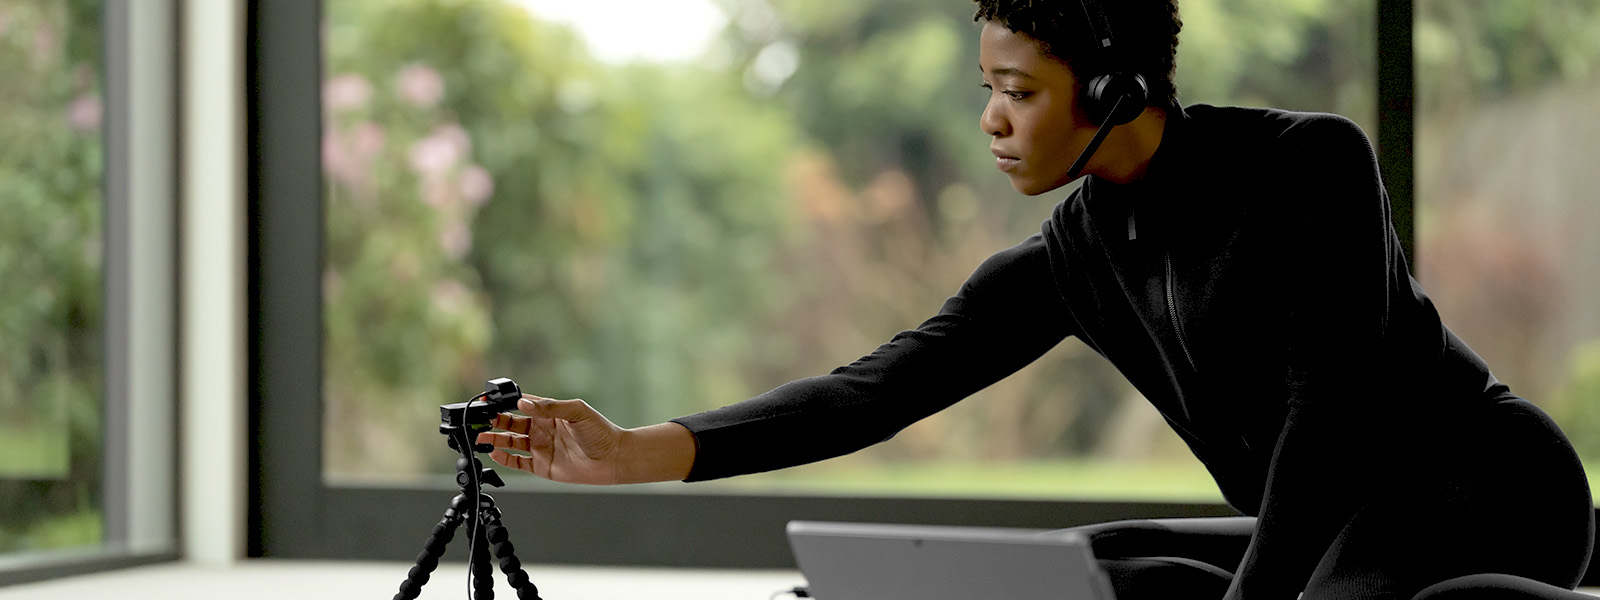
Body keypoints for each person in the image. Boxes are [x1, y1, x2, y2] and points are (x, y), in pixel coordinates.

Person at [475, 1, 1595, 598]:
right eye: (987, 91)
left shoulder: (1307, 166)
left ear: (1110, 85)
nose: (992, 121)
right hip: (1325, 523)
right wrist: (643, 452)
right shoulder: (1075, 252)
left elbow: (1327, 418)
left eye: (1018, 92)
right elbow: (881, 385)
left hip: (1487, 492)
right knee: (1060, 575)